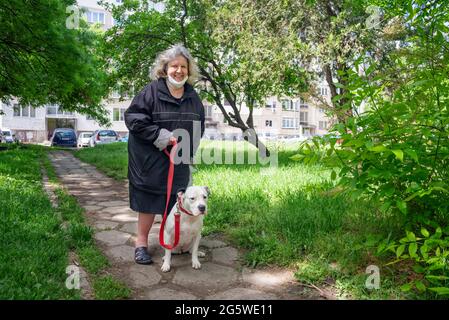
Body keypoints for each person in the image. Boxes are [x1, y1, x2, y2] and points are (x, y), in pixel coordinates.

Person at [124, 44, 205, 265]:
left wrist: (189, 153)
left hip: (177, 160)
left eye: (183, 67)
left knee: (175, 202)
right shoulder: (150, 91)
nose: (179, 71)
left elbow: (198, 127)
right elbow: (133, 119)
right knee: (149, 202)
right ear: (165, 68)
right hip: (148, 158)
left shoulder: (192, 97)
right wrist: (160, 135)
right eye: (174, 66)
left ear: (189, 71)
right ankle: (141, 244)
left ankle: (175, 242)